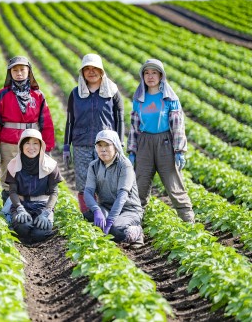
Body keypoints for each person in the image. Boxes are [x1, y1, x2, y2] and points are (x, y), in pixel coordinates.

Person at [127, 59, 195, 223]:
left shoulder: (169, 98)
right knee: (140, 186)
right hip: (144, 144)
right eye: (147, 73)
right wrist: (132, 151)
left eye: (154, 72)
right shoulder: (139, 99)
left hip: (165, 143)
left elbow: (178, 126)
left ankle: (189, 224)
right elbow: (134, 127)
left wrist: (179, 150)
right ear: (143, 76)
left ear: (161, 75)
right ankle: (136, 226)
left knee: (174, 186)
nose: (150, 76)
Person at [0, 56, 55, 205]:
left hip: (32, 144)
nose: (19, 73)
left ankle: (29, 211)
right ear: (10, 73)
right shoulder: (3, 94)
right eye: (15, 70)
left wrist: (48, 148)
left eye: (22, 70)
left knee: (31, 177)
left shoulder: (37, 95)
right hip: (8, 143)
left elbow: (46, 123)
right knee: (8, 178)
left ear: (29, 72)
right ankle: (10, 214)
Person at [63, 54, 124, 213]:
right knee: (84, 183)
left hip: (105, 145)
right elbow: (70, 121)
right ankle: (88, 215)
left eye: (95, 68)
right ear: (82, 72)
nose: (91, 72)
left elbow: (120, 119)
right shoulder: (76, 93)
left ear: (101, 71)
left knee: (106, 181)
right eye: (87, 69)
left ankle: (107, 214)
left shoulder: (112, 92)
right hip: (81, 144)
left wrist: (120, 144)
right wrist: (65, 146)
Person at [83, 130, 144, 247]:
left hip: (128, 209)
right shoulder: (94, 166)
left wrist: (110, 220)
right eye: (99, 145)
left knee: (115, 230)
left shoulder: (125, 165)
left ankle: (137, 232)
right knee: (87, 219)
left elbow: (122, 196)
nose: (103, 149)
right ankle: (111, 226)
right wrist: (96, 210)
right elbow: (88, 192)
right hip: (106, 207)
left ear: (115, 146)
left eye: (107, 145)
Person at [5, 129, 63, 244]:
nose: (31, 147)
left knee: (39, 234)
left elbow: (54, 192)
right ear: (21, 145)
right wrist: (19, 208)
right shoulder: (13, 165)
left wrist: (46, 212)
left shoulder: (50, 165)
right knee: (23, 227)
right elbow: (12, 192)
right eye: (27, 143)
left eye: (35, 143)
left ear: (41, 145)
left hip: (42, 205)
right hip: (22, 204)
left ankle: (37, 231)